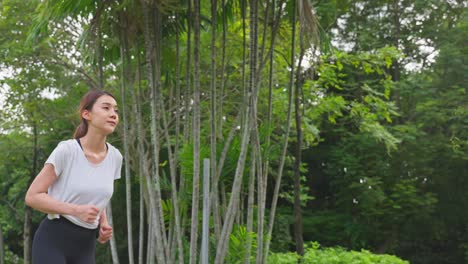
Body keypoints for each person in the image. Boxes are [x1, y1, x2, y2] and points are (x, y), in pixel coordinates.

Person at [25, 90, 123, 264]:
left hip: (86, 245)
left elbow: (100, 195)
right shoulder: (67, 151)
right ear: (87, 114)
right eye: (106, 108)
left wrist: (103, 223)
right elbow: (32, 197)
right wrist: (76, 210)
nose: (113, 114)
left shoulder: (115, 157)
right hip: (53, 240)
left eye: (116, 110)